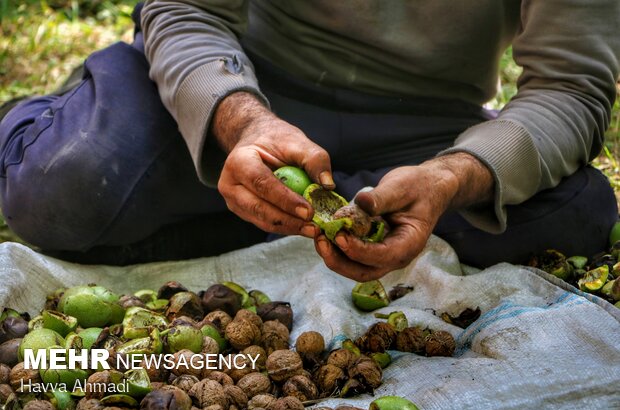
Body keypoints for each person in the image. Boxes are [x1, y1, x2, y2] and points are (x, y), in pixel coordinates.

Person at [0, 1, 618, 280]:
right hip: (241, 79)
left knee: (575, 217)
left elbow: (573, 86)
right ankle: (38, 120)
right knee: (70, 183)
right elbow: (185, 11)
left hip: (421, 122)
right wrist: (243, 124)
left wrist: (452, 176)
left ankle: (296, 216)